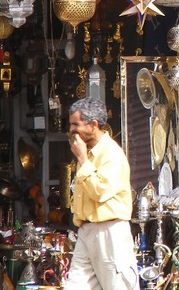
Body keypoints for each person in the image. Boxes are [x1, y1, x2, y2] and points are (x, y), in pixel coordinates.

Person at [64, 97, 139, 290]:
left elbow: (99, 191)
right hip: (87, 231)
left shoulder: (112, 154)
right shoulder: (89, 153)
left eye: (76, 125)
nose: (72, 130)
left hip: (109, 232)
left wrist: (81, 158)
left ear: (93, 125)